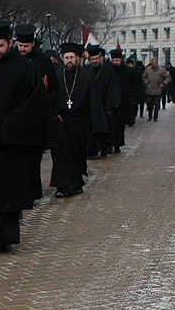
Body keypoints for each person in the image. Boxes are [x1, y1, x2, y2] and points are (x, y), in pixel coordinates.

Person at [0, 21, 51, 253]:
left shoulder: (25, 69)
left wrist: (11, 124)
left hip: (11, 144)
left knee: (6, 191)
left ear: (10, 43)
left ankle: (3, 237)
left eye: (0, 45)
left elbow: (37, 102)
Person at [50, 43, 108, 198]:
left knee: (77, 154)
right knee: (61, 155)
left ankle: (75, 184)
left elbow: (93, 101)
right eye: (66, 57)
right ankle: (61, 186)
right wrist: (55, 113)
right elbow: (50, 96)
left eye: (72, 57)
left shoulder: (86, 76)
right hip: (61, 120)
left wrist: (94, 123)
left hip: (80, 121)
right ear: (62, 59)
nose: (69, 60)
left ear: (77, 59)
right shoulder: (57, 74)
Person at [15, 23, 57, 200]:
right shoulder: (13, 58)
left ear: (33, 44)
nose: (22, 49)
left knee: (33, 159)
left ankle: (32, 191)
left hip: (36, 118)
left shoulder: (43, 61)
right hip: (16, 116)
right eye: (20, 46)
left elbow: (54, 88)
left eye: (26, 46)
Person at [85, 45, 120, 158]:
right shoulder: (86, 70)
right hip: (90, 105)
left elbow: (113, 87)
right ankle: (93, 150)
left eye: (96, 59)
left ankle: (105, 148)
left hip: (105, 104)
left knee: (104, 128)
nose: (95, 61)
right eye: (92, 59)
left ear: (100, 57)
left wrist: (111, 105)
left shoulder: (108, 69)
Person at [108, 49, 133, 152]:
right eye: (113, 60)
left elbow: (133, 86)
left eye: (117, 60)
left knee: (119, 125)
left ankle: (117, 144)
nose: (115, 63)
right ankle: (109, 144)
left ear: (121, 60)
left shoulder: (128, 71)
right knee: (110, 125)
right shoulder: (108, 70)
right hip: (110, 102)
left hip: (123, 102)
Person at [142, 57, 170, 122]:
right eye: (152, 63)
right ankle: (150, 116)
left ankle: (155, 117)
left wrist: (164, 83)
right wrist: (146, 83)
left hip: (157, 90)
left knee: (156, 104)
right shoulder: (147, 69)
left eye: (154, 63)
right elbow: (144, 77)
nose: (153, 64)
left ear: (157, 63)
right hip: (149, 90)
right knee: (149, 104)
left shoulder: (161, 70)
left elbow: (168, 77)